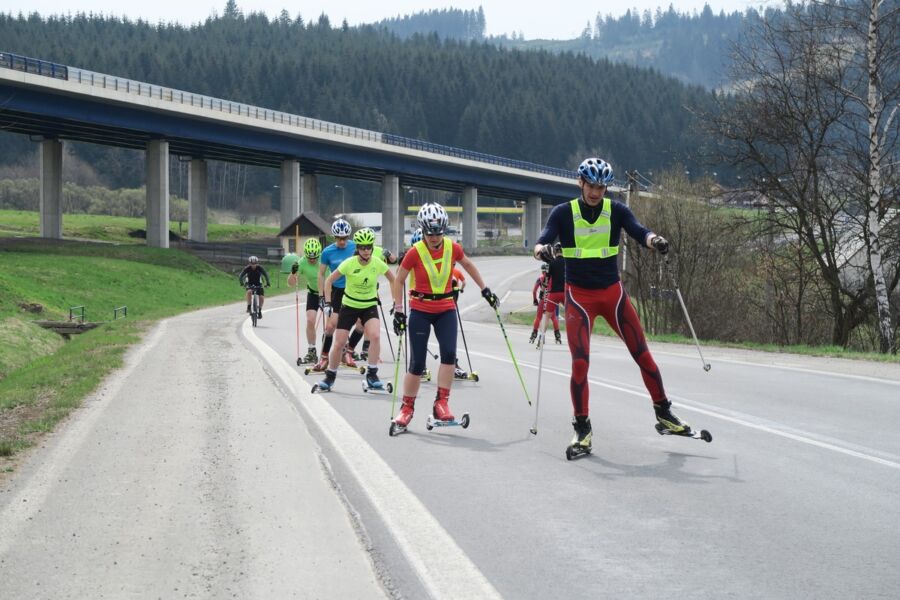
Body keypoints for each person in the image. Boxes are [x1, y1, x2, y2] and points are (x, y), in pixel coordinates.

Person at [533, 157, 686, 455]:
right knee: (580, 364)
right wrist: (544, 251)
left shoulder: (616, 210)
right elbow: (540, 242)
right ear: (580, 183)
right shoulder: (563, 213)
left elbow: (639, 231)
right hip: (579, 297)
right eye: (591, 185)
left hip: (612, 295)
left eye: (601, 187)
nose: (595, 192)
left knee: (642, 354)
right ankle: (582, 429)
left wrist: (655, 241)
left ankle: (664, 413)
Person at [390, 202, 499, 430]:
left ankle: (441, 403)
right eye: (429, 232)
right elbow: (399, 280)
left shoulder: (452, 248)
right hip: (420, 309)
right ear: (422, 230)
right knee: (417, 363)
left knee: (449, 354)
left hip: (446, 308)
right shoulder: (414, 252)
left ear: (444, 229)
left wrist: (485, 289)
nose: (434, 237)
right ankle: (406, 408)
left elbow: (468, 264)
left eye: (438, 232)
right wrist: (398, 311)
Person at [316, 228, 396, 391]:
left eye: (369, 247)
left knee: (375, 336)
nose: (366, 251)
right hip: (349, 306)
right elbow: (329, 281)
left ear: (372, 247)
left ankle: (372, 374)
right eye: (363, 247)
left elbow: (394, 279)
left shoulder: (377, 262)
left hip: (369, 305)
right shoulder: (349, 263)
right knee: (338, 344)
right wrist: (328, 303)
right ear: (357, 248)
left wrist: (396, 302)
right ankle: (330, 377)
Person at [313, 218, 357, 371]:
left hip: (354, 290)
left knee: (360, 324)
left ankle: (348, 352)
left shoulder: (355, 247)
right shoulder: (327, 252)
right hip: (337, 291)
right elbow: (321, 275)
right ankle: (324, 358)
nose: (342, 241)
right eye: (339, 238)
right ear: (334, 237)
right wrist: (321, 297)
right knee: (331, 326)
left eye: (345, 238)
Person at [288, 238, 323, 364]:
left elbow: (330, 279)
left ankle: (339, 349)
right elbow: (291, 284)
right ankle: (312, 351)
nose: (312, 260)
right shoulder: (301, 262)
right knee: (310, 320)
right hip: (313, 293)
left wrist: (325, 296)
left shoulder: (324, 261)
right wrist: (293, 273)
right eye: (309, 257)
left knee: (332, 323)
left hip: (328, 292)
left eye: (315, 257)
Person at [529, 246, 563, 345]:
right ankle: (557, 335)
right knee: (553, 318)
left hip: (543, 299)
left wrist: (535, 300)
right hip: (552, 297)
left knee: (539, 317)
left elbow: (534, 290)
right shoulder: (554, 275)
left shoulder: (540, 278)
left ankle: (535, 334)